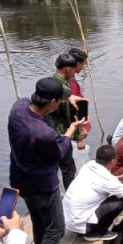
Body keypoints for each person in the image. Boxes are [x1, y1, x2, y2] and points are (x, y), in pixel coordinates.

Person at [8, 78, 87, 244]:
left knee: (39, 221)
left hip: (20, 180)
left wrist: (67, 97)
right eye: (60, 100)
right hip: (43, 185)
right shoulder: (44, 134)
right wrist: (71, 130)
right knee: (56, 229)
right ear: (52, 102)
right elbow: (60, 151)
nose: (62, 102)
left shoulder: (19, 108)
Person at [62, 145, 123, 242]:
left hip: (69, 221)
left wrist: (119, 178)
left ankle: (90, 229)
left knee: (113, 195)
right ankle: (97, 232)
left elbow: (100, 180)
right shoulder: (108, 179)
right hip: (84, 226)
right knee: (120, 200)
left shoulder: (89, 165)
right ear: (113, 161)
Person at [50, 53, 88, 189]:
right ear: (67, 69)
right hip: (62, 133)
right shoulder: (65, 89)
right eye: (72, 69)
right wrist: (79, 137)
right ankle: (71, 197)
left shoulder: (51, 82)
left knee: (53, 168)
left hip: (51, 132)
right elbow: (70, 116)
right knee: (68, 170)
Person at [67, 47, 92, 136]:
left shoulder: (70, 78)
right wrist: (80, 131)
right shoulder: (70, 82)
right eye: (83, 64)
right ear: (77, 64)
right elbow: (72, 109)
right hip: (75, 127)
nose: (84, 66)